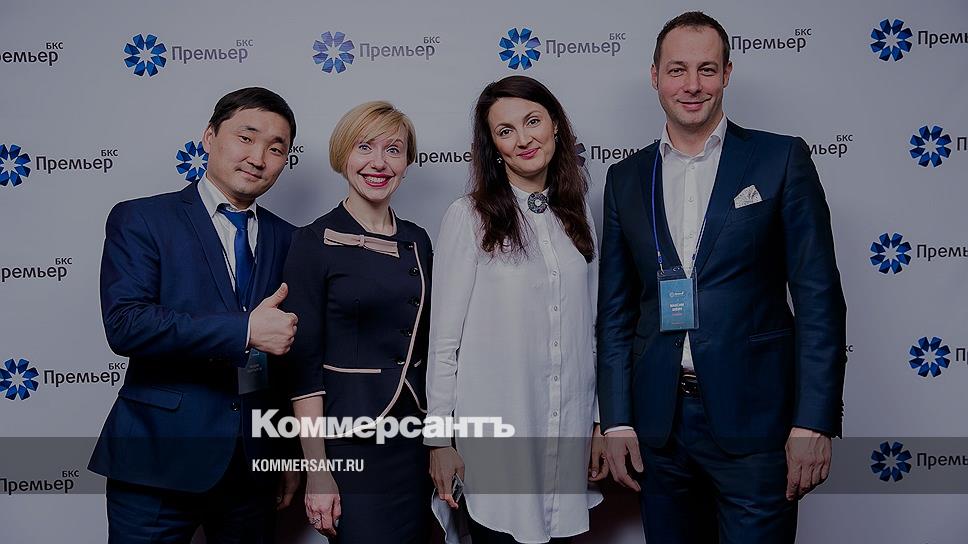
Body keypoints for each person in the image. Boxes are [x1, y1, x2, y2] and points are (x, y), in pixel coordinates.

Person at [597, 11, 848, 544]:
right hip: (659, 428)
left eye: (706, 69)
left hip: (758, 423)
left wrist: (814, 420)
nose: (692, 85)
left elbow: (819, 299)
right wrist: (616, 419)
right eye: (677, 70)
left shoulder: (780, 158)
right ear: (655, 76)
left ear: (727, 73)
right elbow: (616, 313)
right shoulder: (625, 178)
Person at [90, 87, 301, 543]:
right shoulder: (143, 219)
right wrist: (245, 330)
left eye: (275, 148)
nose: (258, 157)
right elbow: (126, 324)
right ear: (209, 137)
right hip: (156, 459)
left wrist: (287, 453)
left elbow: (286, 362)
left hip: (251, 468)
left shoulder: (290, 239)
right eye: (246, 138)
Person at [426, 75, 606, 544]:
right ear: (493, 146)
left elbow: (592, 328)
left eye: (532, 121)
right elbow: (444, 342)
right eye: (505, 131)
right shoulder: (468, 216)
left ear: (556, 125)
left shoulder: (578, 214)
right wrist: (439, 440)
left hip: (567, 433)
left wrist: (597, 421)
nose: (524, 139)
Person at [281, 101, 432, 543]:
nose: (379, 163)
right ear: (343, 154)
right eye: (364, 147)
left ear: (407, 163)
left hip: (414, 439)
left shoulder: (418, 240)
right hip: (349, 441)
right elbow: (303, 368)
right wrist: (318, 471)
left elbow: (430, 347)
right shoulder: (312, 242)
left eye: (393, 149)